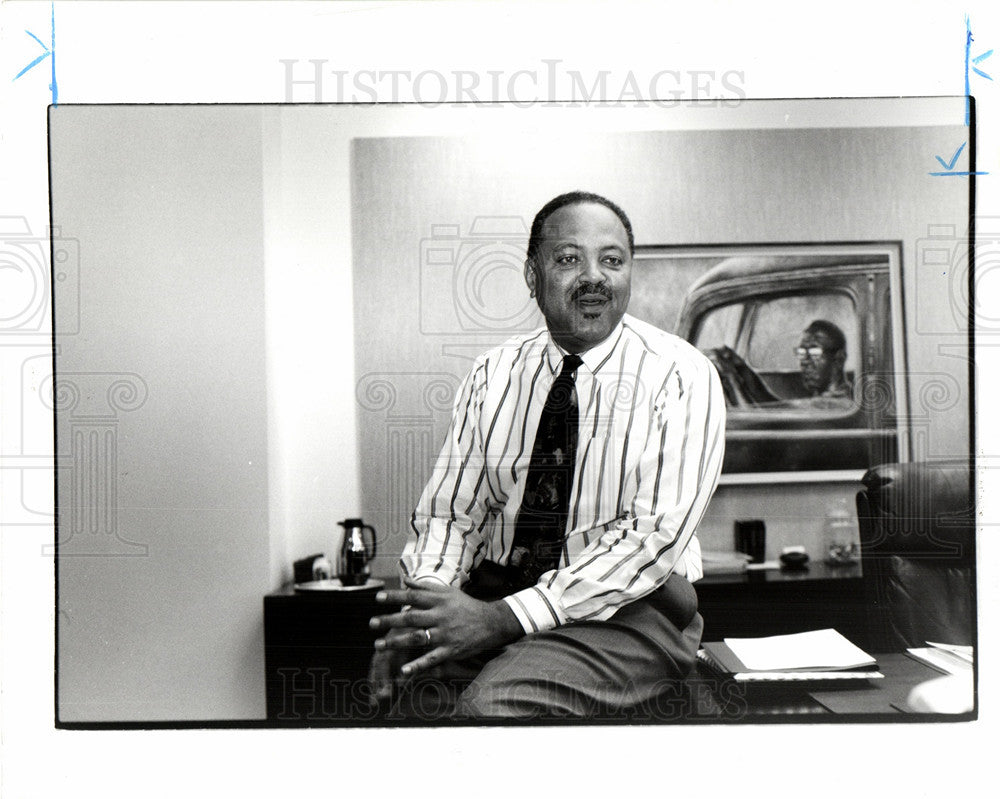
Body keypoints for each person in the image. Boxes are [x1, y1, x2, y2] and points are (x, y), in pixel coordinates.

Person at [368, 191, 726, 719]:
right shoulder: (493, 374)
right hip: (498, 590)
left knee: (489, 711)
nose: (593, 276)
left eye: (612, 259)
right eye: (567, 259)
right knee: (403, 706)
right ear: (532, 276)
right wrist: (427, 611)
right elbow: (451, 514)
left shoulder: (683, 375)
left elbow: (652, 538)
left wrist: (502, 620)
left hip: (628, 609)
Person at [709, 319, 852, 407]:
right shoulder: (827, 399)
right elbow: (778, 407)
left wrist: (731, 379)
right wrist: (742, 368)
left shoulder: (837, 404)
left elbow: (756, 425)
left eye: (814, 353)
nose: (805, 362)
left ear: (839, 359)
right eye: (802, 353)